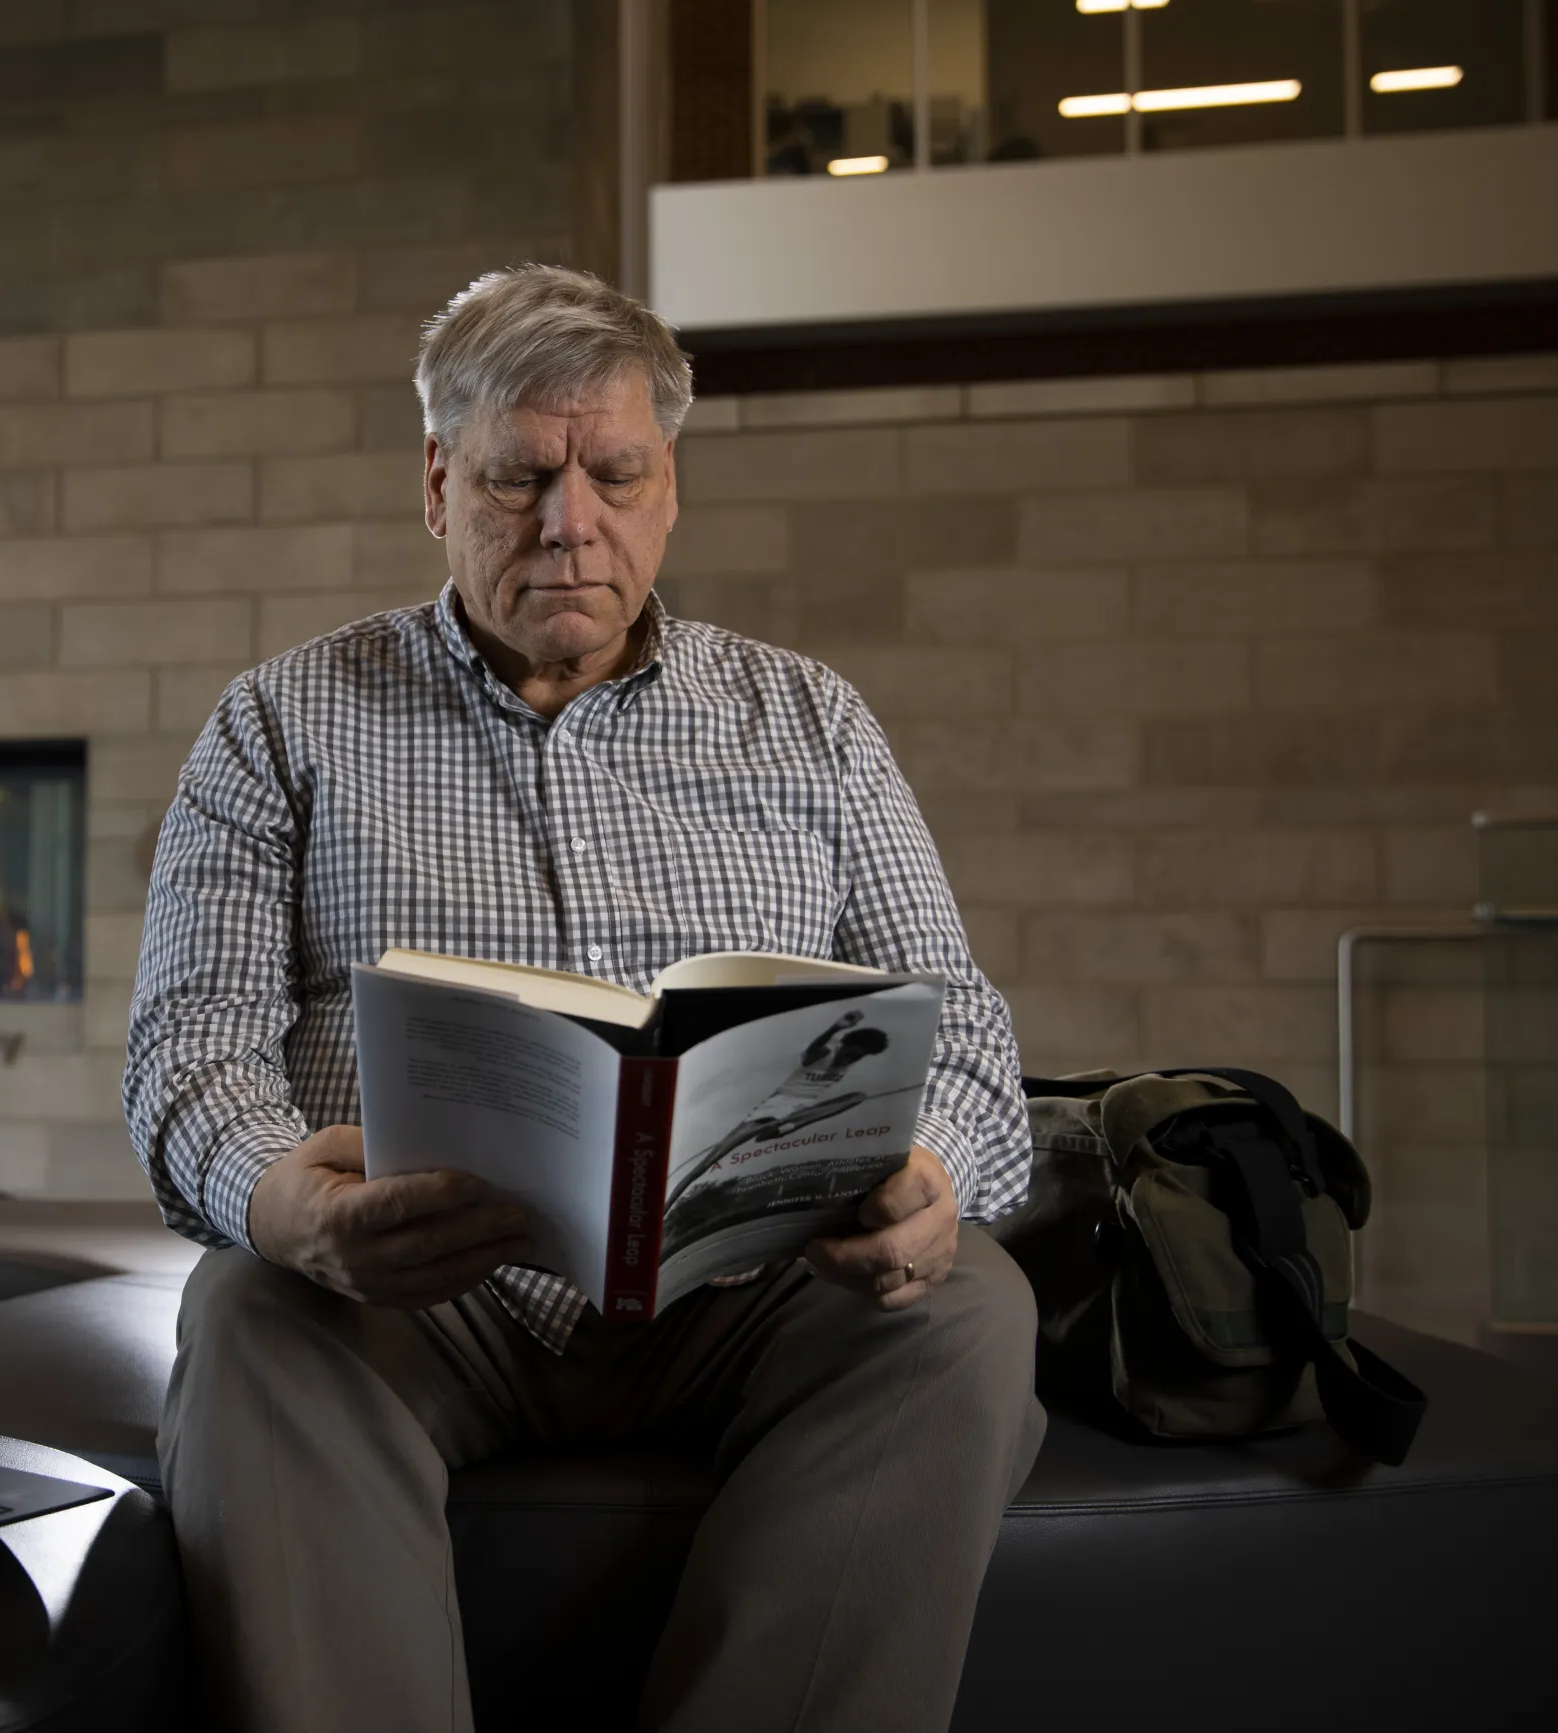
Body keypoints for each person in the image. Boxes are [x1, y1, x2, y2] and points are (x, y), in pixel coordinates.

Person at [125, 264, 1044, 1733]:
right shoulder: (281, 723)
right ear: (437, 481)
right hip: (423, 1294)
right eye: (519, 479)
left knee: (970, 1306)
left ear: (667, 481)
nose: (571, 523)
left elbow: (971, 1042)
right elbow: (189, 1048)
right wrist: (284, 1204)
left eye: (614, 473)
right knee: (249, 1309)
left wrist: (935, 1173)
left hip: (752, 1285)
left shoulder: (809, 722)